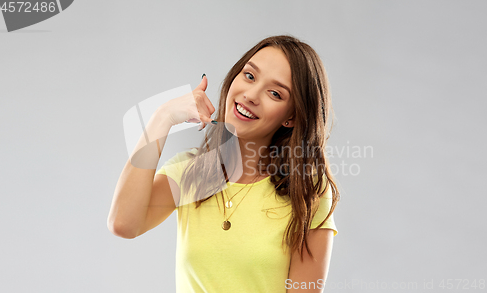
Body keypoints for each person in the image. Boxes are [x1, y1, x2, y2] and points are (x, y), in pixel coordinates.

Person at [108, 35, 341, 293]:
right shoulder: (190, 172)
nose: (251, 95)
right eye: (250, 76)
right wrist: (162, 117)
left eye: (274, 93)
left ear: (291, 117)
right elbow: (123, 223)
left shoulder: (308, 191)